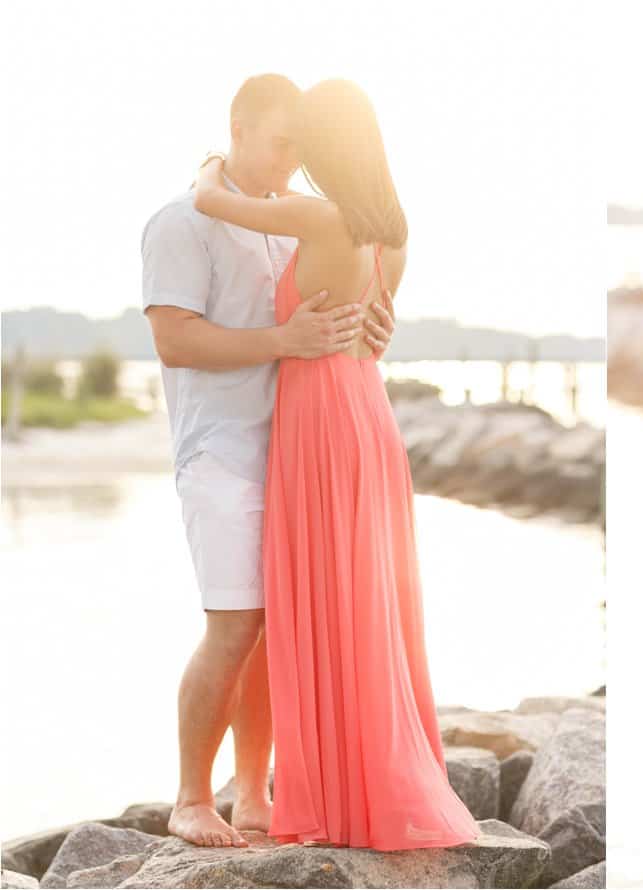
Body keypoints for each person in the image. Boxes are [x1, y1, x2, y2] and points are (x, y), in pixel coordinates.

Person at [189, 76, 480, 851]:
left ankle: (327, 796)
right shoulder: (396, 231)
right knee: (363, 603)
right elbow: (380, 327)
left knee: (318, 601)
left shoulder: (316, 215)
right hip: (368, 412)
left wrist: (211, 162)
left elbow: (212, 201)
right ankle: (365, 781)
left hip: (317, 417)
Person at [142, 73, 397, 849]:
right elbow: (174, 340)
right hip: (220, 452)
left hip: (297, 451)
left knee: (278, 626)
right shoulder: (180, 223)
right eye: (283, 143)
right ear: (239, 127)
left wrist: (373, 328)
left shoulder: (295, 222)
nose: (292, 160)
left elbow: (347, 312)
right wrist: (280, 343)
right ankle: (191, 797)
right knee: (234, 623)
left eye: (304, 147)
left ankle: (253, 792)